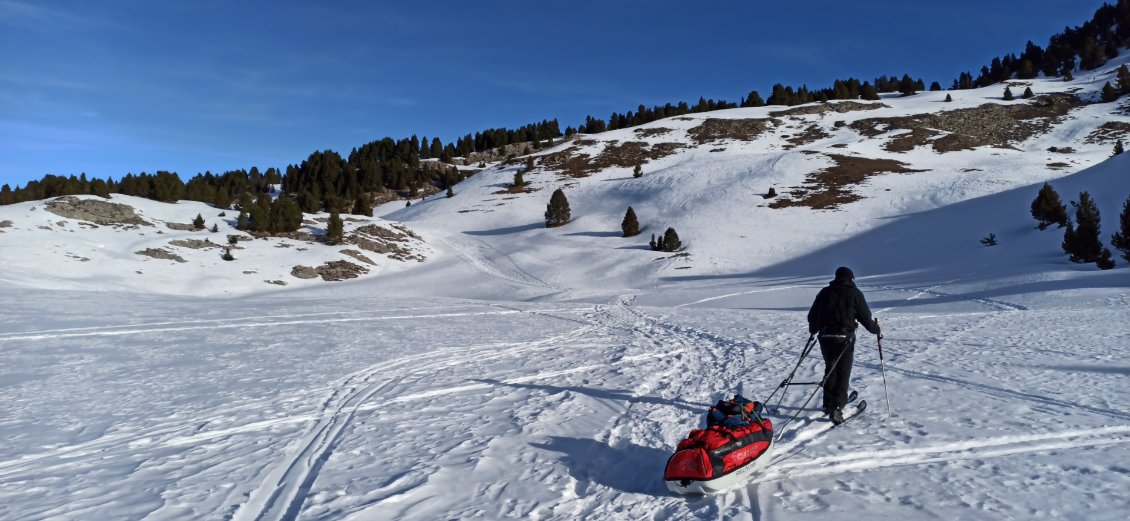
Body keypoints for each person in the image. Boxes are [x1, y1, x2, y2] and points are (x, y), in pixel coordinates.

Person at [807, 266, 881, 424]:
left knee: (831, 368)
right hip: (844, 338)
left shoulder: (824, 292)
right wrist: (876, 329)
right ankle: (837, 406)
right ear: (851, 279)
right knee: (842, 372)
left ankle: (828, 402)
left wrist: (814, 329)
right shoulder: (855, 293)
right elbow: (865, 318)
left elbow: (813, 315)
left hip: (825, 338)